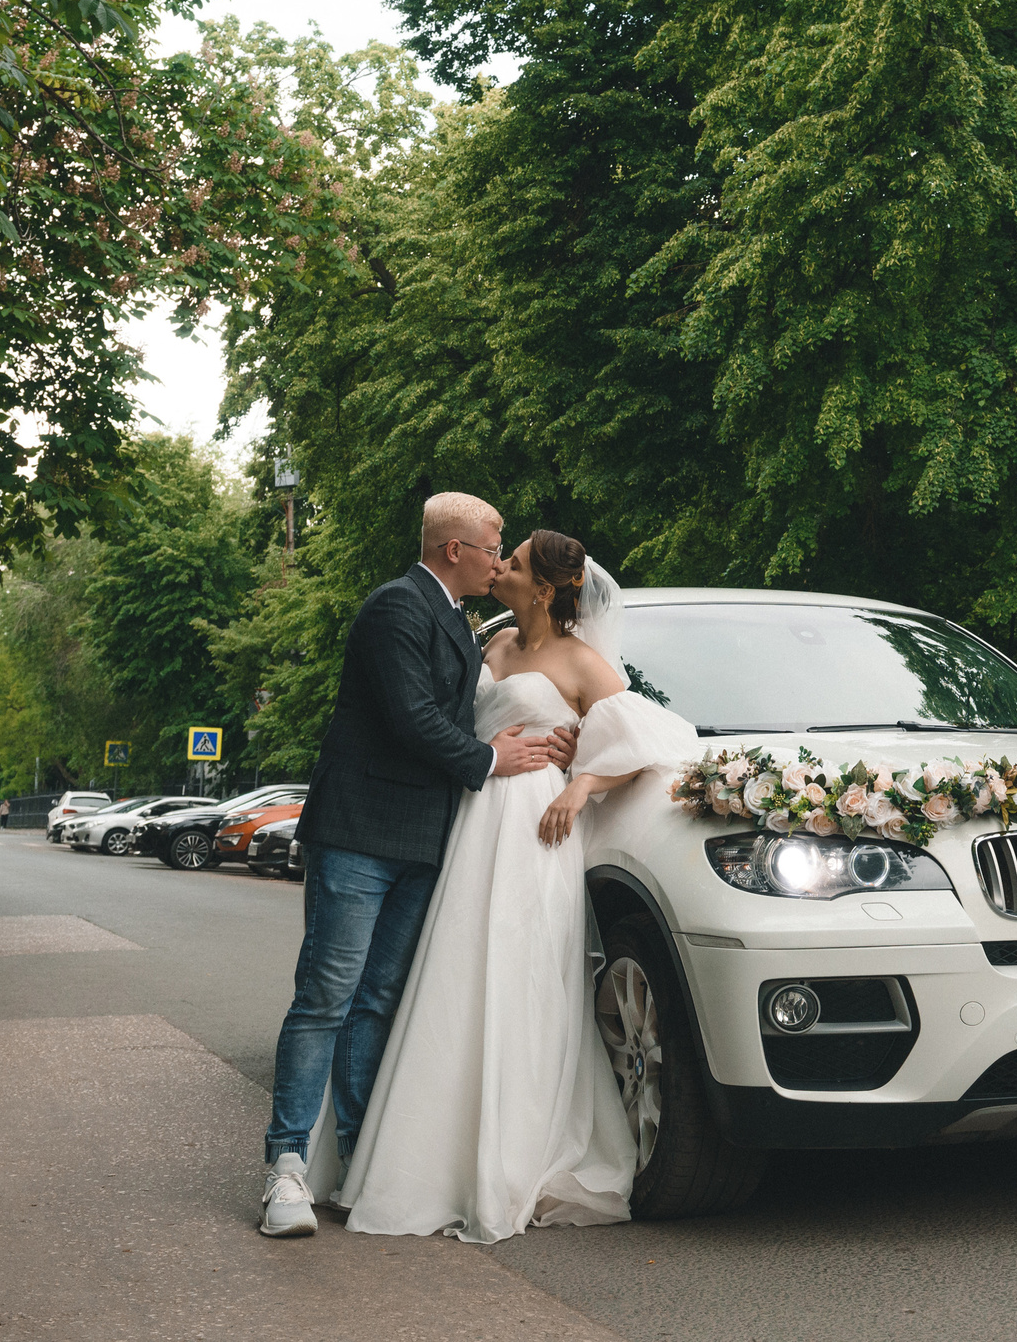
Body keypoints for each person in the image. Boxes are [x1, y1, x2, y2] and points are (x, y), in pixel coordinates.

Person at [322, 529, 697, 1243]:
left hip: (534, 828)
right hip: (466, 823)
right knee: (449, 979)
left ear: (548, 589)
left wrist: (581, 778)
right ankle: (435, 1152)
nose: (503, 566)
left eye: (517, 563)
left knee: (519, 982)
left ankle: (511, 1156)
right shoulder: (485, 647)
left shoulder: (582, 660)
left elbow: (655, 739)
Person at [258, 493, 576, 1238]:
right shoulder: (394, 607)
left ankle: (361, 1155)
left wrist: (558, 743)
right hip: (362, 833)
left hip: (427, 842)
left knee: (378, 1000)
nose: (501, 558)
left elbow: (473, 712)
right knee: (326, 997)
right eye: (495, 544)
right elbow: (412, 718)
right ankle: (284, 1171)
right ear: (455, 549)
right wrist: (491, 758)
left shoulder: (466, 624)